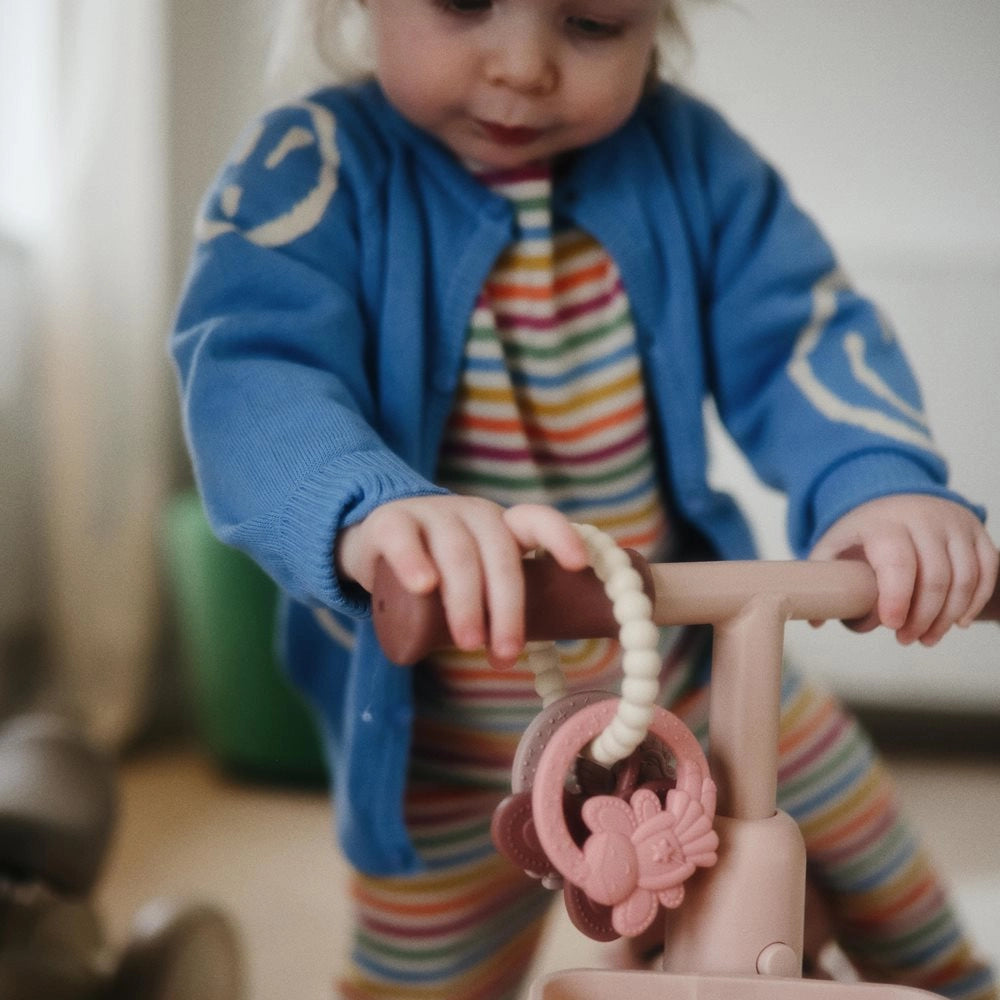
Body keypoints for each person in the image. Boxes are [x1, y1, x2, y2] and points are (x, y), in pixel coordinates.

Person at [170, 2, 999, 998]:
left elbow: (799, 334)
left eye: (594, 22)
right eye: (464, 0)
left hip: (711, 690)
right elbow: (254, 372)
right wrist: (368, 508)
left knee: (902, 909)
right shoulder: (310, 168)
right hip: (443, 754)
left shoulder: (691, 162)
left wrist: (879, 481)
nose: (523, 66)